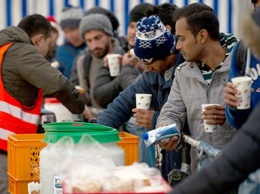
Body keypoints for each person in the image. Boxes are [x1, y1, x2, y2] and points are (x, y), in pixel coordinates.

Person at [0, 14, 92, 194]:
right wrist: (82, 108)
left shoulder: (4, 49)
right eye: (49, 46)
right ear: (39, 39)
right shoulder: (22, 51)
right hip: (4, 146)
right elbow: (57, 83)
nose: (48, 53)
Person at [97, 15, 185, 181]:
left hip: (188, 164)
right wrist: (94, 135)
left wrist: (155, 120)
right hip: (170, 161)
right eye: (142, 62)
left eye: (149, 62)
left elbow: (193, 116)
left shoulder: (187, 70)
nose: (145, 68)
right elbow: (121, 104)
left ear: (166, 55)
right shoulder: (152, 74)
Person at [156, 3, 237, 173]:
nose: (177, 46)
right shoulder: (183, 73)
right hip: (202, 174)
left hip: (241, 174)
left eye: (181, 38)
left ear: (202, 36)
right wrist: (167, 128)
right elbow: (172, 112)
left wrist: (231, 116)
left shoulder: (243, 66)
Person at [70, 13, 124, 116]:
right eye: (89, 40)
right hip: (94, 124)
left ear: (109, 34)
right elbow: (91, 100)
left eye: (98, 38)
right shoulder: (83, 62)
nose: (94, 45)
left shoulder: (125, 56)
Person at [55, 5, 86, 79]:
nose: (70, 36)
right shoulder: (61, 52)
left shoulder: (94, 46)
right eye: (66, 32)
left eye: (72, 30)